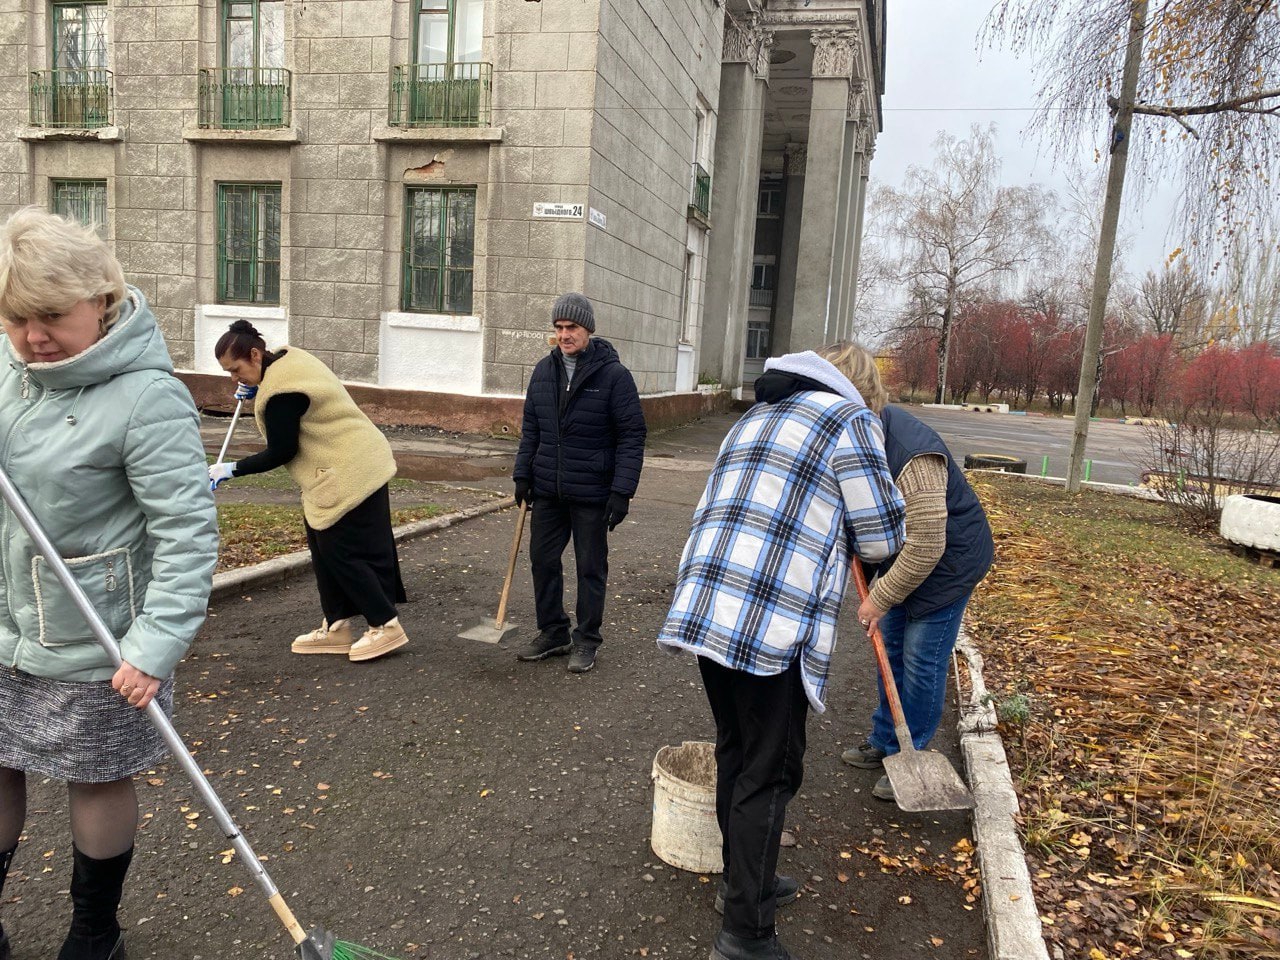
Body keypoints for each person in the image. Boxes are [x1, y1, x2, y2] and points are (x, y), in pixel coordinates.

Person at [0, 207, 219, 960]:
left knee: (92, 778)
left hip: (96, 634)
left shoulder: (146, 396)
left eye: (51, 316)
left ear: (100, 298)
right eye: (16, 316)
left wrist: (155, 647)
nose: (33, 337)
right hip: (3, 619)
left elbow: (186, 534)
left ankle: (95, 933)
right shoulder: (8, 369)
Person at [657, 346, 906, 960]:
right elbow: (881, 537)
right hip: (770, 620)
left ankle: (744, 884)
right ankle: (746, 935)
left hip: (708, 608)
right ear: (862, 389)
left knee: (737, 752)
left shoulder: (754, 415)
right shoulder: (849, 423)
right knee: (770, 771)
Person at [832, 342, 995, 803]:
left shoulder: (909, 450)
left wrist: (879, 597)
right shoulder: (854, 438)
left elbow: (927, 544)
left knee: (922, 659)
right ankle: (886, 740)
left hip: (946, 565)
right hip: (901, 559)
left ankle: (915, 749)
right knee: (893, 648)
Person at [207, 322, 409, 663]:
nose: (233, 379)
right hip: (349, 462)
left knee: (344, 551)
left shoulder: (282, 393)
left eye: (236, 370)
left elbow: (281, 451)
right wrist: (257, 390)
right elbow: (306, 401)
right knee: (323, 548)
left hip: (350, 469)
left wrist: (232, 469)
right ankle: (337, 626)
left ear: (255, 354)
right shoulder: (287, 361)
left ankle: (386, 626)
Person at [511, 292, 646, 674]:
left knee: (590, 566)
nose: (564, 334)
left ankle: (587, 639)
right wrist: (523, 473)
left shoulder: (614, 376)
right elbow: (531, 430)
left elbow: (632, 436)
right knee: (542, 560)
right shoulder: (543, 371)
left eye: (571, 327)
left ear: (588, 329)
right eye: (558, 328)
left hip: (592, 492)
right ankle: (553, 631)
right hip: (548, 490)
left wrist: (622, 492)